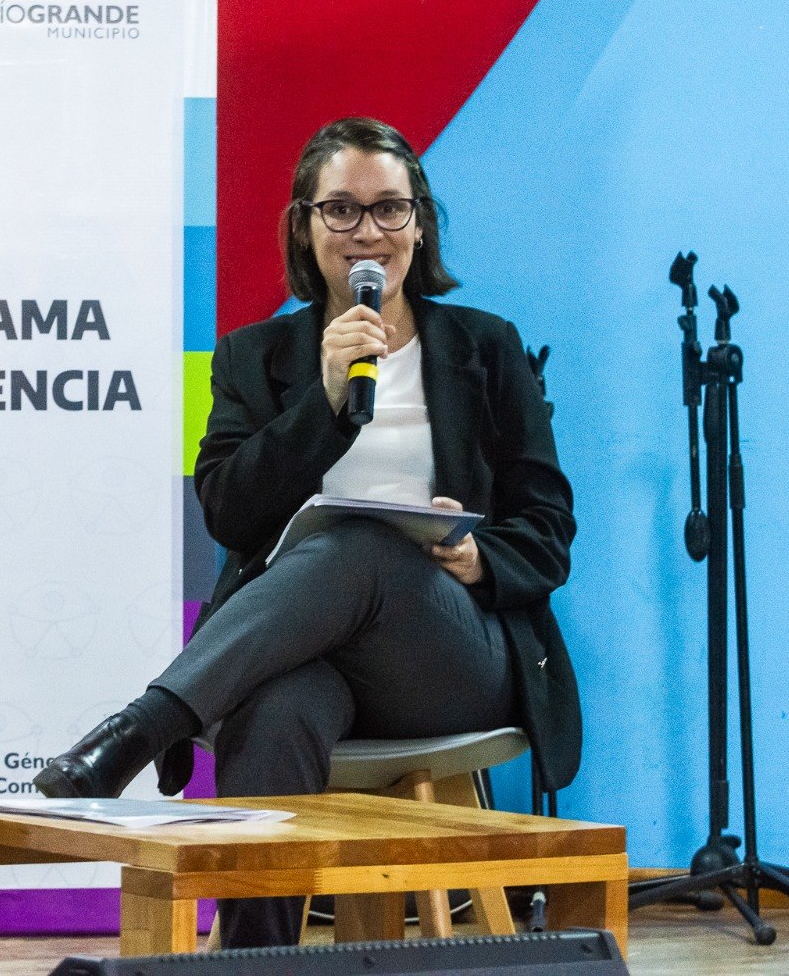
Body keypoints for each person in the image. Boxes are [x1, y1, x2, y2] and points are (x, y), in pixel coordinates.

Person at [34, 116, 580, 948]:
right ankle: (257, 962)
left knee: (362, 546)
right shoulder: (253, 357)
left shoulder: (486, 346)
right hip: (305, 652)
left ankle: (141, 729)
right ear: (305, 225)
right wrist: (324, 401)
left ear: (420, 224)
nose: (368, 231)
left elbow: (548, 526)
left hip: (450, 654)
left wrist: (477, 556)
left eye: (389, 208)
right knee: (276, 707)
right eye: (341, 210)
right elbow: (228, 513)